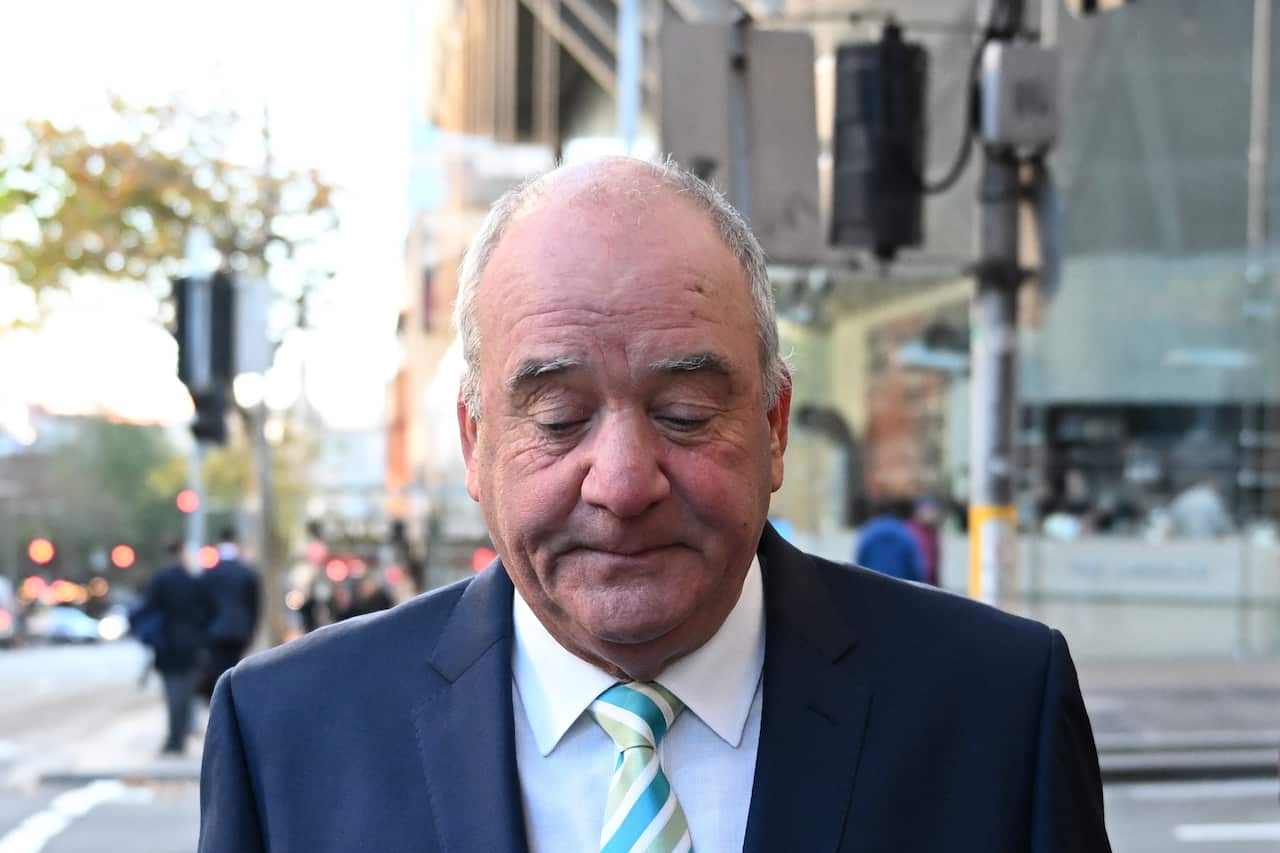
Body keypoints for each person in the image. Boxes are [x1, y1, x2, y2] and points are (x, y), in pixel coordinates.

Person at [199, 158, 1111, 852]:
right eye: (558, 419)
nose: (625, 483)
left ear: (775, 425)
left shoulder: (996, 712)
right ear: (475, 441)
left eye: (684, 414)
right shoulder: (287, 738)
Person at [132, 542, 213, 755]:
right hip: (192, 645)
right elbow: (207, 611)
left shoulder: (161, 580)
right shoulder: (195, 581)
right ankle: (180, 735)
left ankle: (175, 738)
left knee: (173, 692)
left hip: (168, 644)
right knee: (185, 692)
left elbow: (147, 608)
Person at [197, 529, 261, 701]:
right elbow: (254, 605)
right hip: (240, 630)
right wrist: (251, 629)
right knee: (234, 669)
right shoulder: (247, 573)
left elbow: (203, 605)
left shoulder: (210, 573)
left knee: (218, 671)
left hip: (215, 631)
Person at [854, 498, 926, 583]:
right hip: (900, 588)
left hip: (872, 585)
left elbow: (859, 563)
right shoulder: (905, 533)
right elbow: (916, 570)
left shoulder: (868, 532)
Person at [906, 495, 942, 586]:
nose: (931, 514)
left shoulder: (933, 534)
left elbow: (934, 567)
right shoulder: (910, 531)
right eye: (927, 509)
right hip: (914, 584)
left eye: (933, 510)